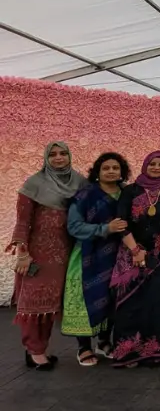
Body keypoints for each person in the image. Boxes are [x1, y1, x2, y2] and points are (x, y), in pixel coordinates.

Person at [8, 141, 87, 370]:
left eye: (63, 153)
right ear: (46, 158)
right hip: (38, 255)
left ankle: (40, 348)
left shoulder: (80, 182)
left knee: (52, 305)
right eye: (53, 154)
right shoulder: (34, 184)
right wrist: (23, 254)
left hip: (67, 253)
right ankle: (34, 350)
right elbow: (23, 222)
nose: (59, 158)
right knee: (34, 304)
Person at [111, 151, 160, 367]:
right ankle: (128, 351)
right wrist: (135, 250)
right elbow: (121, 221)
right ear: (144, 165)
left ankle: (157, 349)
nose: (157, 167)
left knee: (157, 302)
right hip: (132, 253)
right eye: (153, 163)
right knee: (131, 302)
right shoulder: (130, 191)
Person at [62, 153, 130, 366]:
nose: (111, 171)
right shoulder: (86, 195)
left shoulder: (127, 194)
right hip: (88, 255)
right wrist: (105, 228)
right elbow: (73, 226)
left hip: (117, 256)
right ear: (97, 173)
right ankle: (83, 347)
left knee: (111, 298)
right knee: (85, 298)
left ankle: (103, 341)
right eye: (106, 168)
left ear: (122, 172)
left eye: (115, 168)